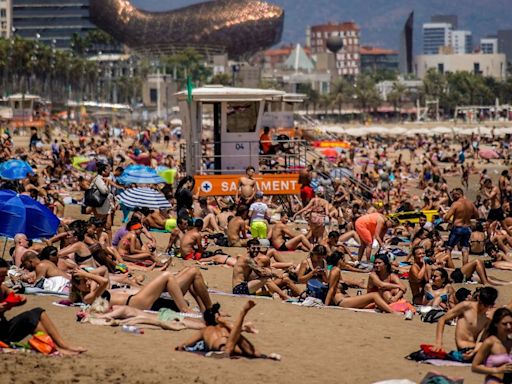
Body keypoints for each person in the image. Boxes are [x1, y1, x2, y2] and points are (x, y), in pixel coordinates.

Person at [0, 259, 86, 355]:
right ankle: (56, 348)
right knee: (31, 318)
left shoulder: (2, 288)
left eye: (4, 276)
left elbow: (16, 297)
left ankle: (64, 345)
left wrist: (19, 300)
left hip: (5, 327)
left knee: (38, 312)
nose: (3, 279)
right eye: (0, 276)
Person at [70, 266, 212, 314]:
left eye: (87, 280)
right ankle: (185, 311)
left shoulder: (94, 288)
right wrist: (86, 274)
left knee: (192, 271)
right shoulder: (88, 298)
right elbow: (105, 281)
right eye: (84, 282)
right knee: (167, 275)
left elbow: (103, 270)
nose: (88, 283)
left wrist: (85, 272)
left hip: (141, 295)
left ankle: (208, 309)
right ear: (77, 287)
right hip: (136, 302)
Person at [175, 301, 280, 360]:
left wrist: (183, 347)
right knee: (235, 339)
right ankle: (242, 313)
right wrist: (225, 323)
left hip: (220, 346)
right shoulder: (225, 327)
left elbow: (184, 345)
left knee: (233, 341)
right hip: (226, 345)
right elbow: (236, 330)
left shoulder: (204, 330)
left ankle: (258, 354)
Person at [433, 286, 498, 360]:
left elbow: (482, 341)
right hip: (463, 347)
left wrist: (475, 351)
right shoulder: (466, 306)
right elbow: (442, 319)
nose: (482, 307)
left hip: (474, 349)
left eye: (485, 305)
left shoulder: (487, 319)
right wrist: (438, 343)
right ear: (478, 298)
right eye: (480, 303)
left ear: (491, 305)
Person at [324, 252, 395, 313]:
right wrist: (325, 306)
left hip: (346, 299)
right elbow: (331, 289)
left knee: (375, 303)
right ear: (339, 261)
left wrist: (363, 274)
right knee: (374, 295)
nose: (345, 261)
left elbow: (348, 270)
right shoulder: (335, 271)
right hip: (342, 301)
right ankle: (393, 312)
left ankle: (391, 309)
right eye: (343, 260)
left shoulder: (337, 270)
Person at [472, 307, 512, 384]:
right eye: (504, 324)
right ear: (496, 324)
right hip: (494, 381)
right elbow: (475, 367)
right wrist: (497, 370)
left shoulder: (510, 342)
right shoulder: (490, 342)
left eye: (511, 323)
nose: (509, 327)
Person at [444, 188, 480, 266]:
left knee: (448, 249)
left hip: (457, 228)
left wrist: (448, 220)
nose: (452, 197)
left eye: (453, 195)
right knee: (465, 249)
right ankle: (465, 270)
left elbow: (446, 218)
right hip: (467, 228)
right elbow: (477, 215)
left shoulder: (456, 204)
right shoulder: (470, 203)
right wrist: (467, 216)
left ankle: (451, 269)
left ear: (458, 194)